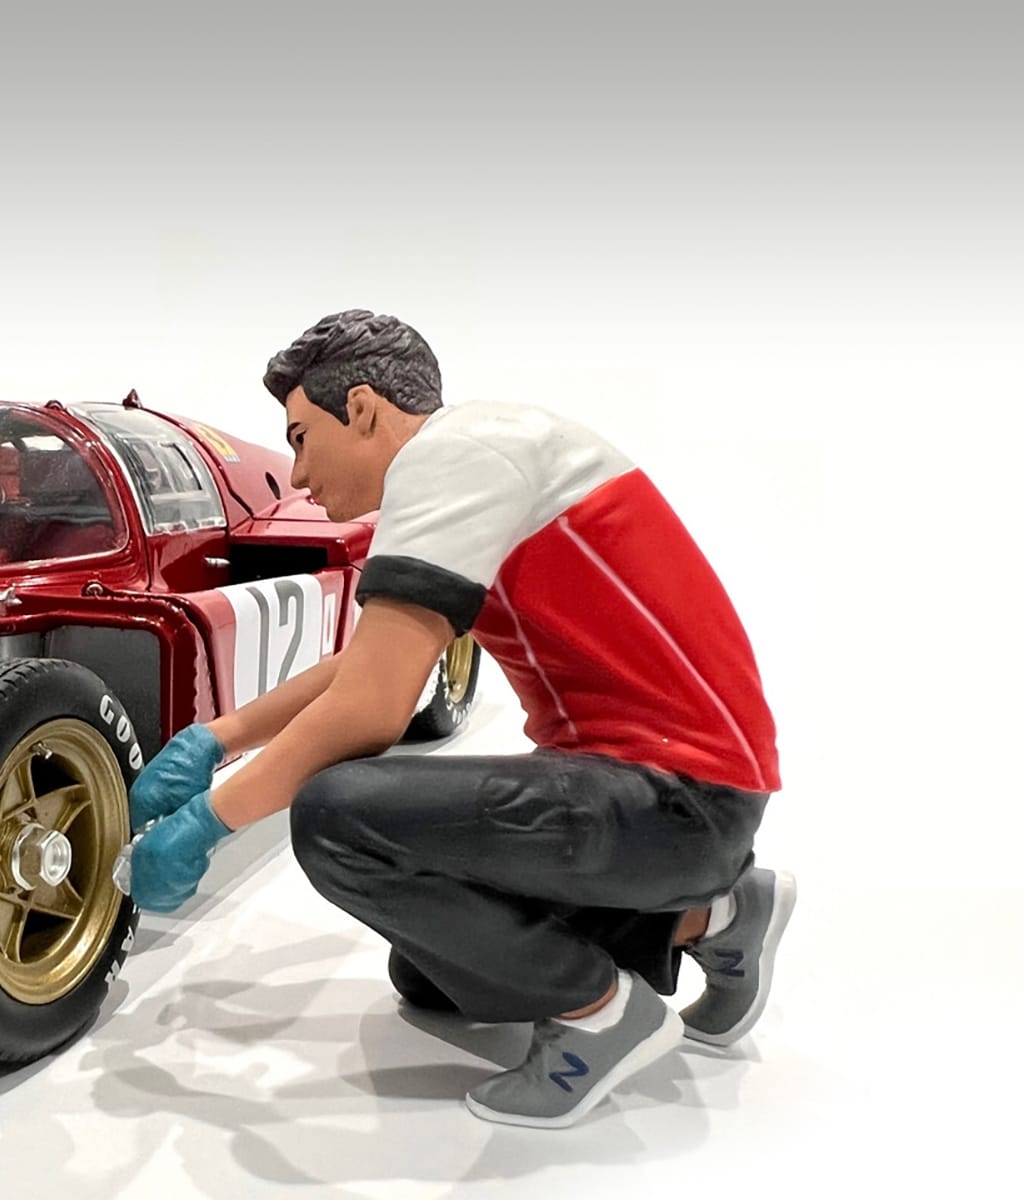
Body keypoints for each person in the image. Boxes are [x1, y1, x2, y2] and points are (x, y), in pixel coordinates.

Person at [127, 309, 795, 1128]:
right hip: (657, 789)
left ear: (362, 409)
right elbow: (367, 664)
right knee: (431, 977)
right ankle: (713, 918)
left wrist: (209, 821)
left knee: (337, 817)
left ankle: (599, 1017)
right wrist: (215, 739)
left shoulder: (456, 458)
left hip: (677, 795)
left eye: (301, 438)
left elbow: (372, 708)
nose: (298, 476)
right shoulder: (476, 460)